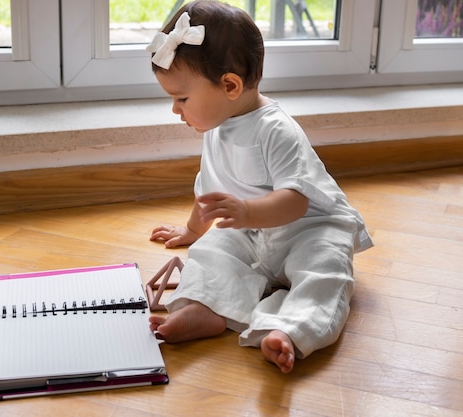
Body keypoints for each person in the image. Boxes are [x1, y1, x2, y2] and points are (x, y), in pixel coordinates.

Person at [146, 0, 373, 374]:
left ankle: (289, 329)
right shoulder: (217, 126)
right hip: (252, 230)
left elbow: (296, 202)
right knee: (212, 251)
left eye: (181, 98)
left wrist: (248, 211)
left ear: (230, 85)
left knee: (325, 272)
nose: (175, 109)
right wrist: (193, 230)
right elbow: (209, 190)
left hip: (310, 228)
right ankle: (203, 308)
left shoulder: (276, 129)